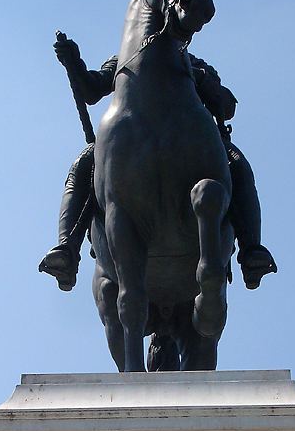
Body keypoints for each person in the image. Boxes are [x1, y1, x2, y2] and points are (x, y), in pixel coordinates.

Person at [39, 36, 277, 291]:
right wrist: (74, 63)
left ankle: (251, 250)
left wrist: (198, 76)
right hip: (133, 139)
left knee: (237, 164)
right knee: (86, 162)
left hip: (193, 141)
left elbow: (227, 107)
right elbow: (91, 90)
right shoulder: (124, 58)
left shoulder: (194, 62)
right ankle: (67, 248)